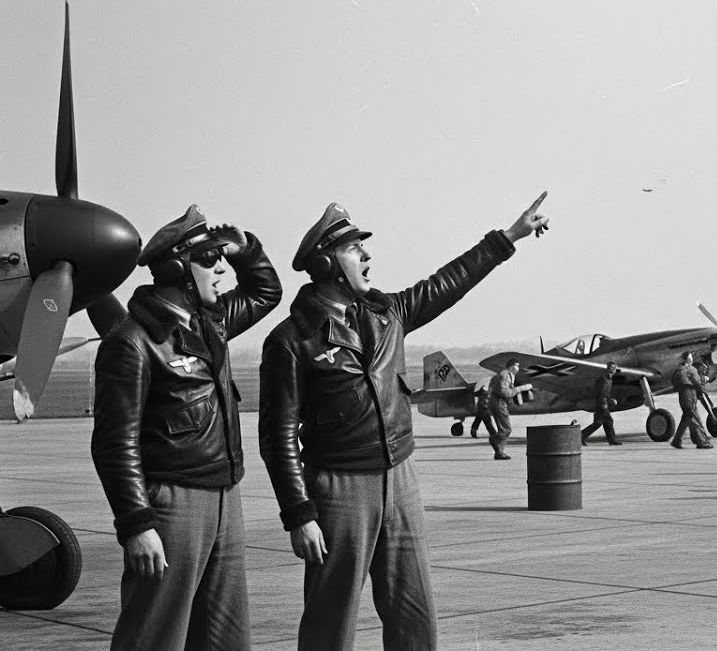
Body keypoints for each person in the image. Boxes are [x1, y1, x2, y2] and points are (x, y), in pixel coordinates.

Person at [258, 193, 549, 651]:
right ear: (330, 263)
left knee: (414, 611)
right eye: (355, 249)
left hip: (401, 477)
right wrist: (299, 514)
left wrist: (509, 236)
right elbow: (276, 438)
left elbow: (447, 282)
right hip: (339, 488)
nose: (368, 256)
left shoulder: (388, 313)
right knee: (330, 615)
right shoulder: (292, 341)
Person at [91, 205, 281, 651]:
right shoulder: (133, 342)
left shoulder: (210, 324)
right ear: (177, 267)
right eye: (209, 258)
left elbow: (265, 292)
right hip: (172, 505)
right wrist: (136, 523)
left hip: (225, 497)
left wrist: (245, 250)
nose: (221, 267)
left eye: (221, 257)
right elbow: (114, 444)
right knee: (155, 634)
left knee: (226, 638)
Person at [488, 358, 533, 460]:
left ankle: (499, 453)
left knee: (502, 429)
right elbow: (504, 392)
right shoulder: (506, 375)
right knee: (507, 429)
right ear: (512, 367)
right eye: (517, 366)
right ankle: (494, 439)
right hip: (499, 403)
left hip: (495, 403)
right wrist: (521, 388)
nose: (518, 368)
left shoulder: (503, 374)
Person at [670, 351, 713, 449]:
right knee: (694, 418)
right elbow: (693, 382)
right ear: (686, 359)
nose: (691, 359)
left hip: (690, 396)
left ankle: (677, 441)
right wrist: (700, 388)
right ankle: (701, 441)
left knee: (687, 418)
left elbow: (677, 383)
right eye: (690, 358)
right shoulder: (685, 370)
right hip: (687, 396)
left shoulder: (685, 369)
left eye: (691, 357)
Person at [581, 361, 622, 445]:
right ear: (608, 368)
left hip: (602, 403)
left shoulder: (608, 379)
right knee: (608, 421)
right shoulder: (604, 379)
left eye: (614, 368)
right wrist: (609, 401)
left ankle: (579, 437)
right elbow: (601, 393)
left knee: (599, 423)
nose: (614, 369)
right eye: (612, 368)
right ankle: (612, 440)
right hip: (602, 403)